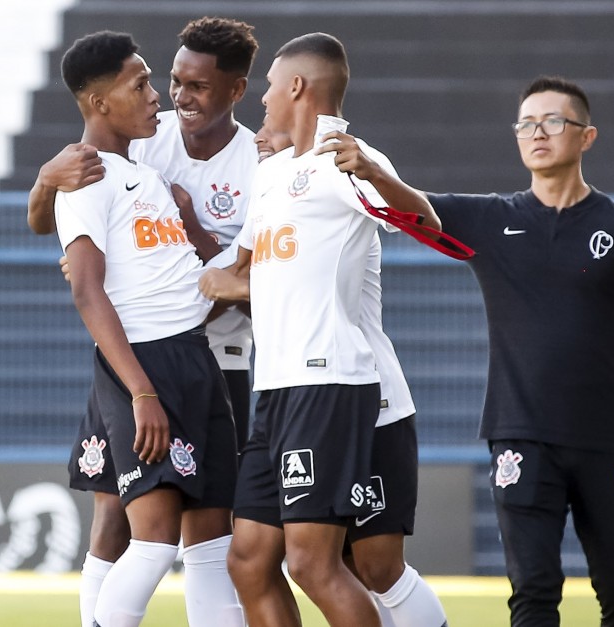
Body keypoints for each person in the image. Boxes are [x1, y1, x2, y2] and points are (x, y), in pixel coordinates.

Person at [329, 74, 614, 627]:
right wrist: (372, 171)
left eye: (553, 122)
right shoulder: (492, 220)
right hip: (521, 440)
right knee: (534, 593)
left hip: (611, 445)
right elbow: (418, 212)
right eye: (526, 123)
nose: (537, 133)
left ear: (586, 136)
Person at [198, 33, 442, 627]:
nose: (261, 100)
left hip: (329, 381)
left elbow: (431, 227)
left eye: (269, 86)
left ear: (298, 88)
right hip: (275, 389)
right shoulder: (274, 173)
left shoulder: (346, 159)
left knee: (323, 563)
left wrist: (380, 179)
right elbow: (236, 270)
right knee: (250, 560)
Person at [26, 18, 257, 626]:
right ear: (101, 102)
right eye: (144, 84)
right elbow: (85, 286)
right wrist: (143, 390)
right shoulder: (87, 174)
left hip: (201, 359)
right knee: (148, 538)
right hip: (146, 364)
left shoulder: (149, 172)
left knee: (211, 547)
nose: (159, 96)